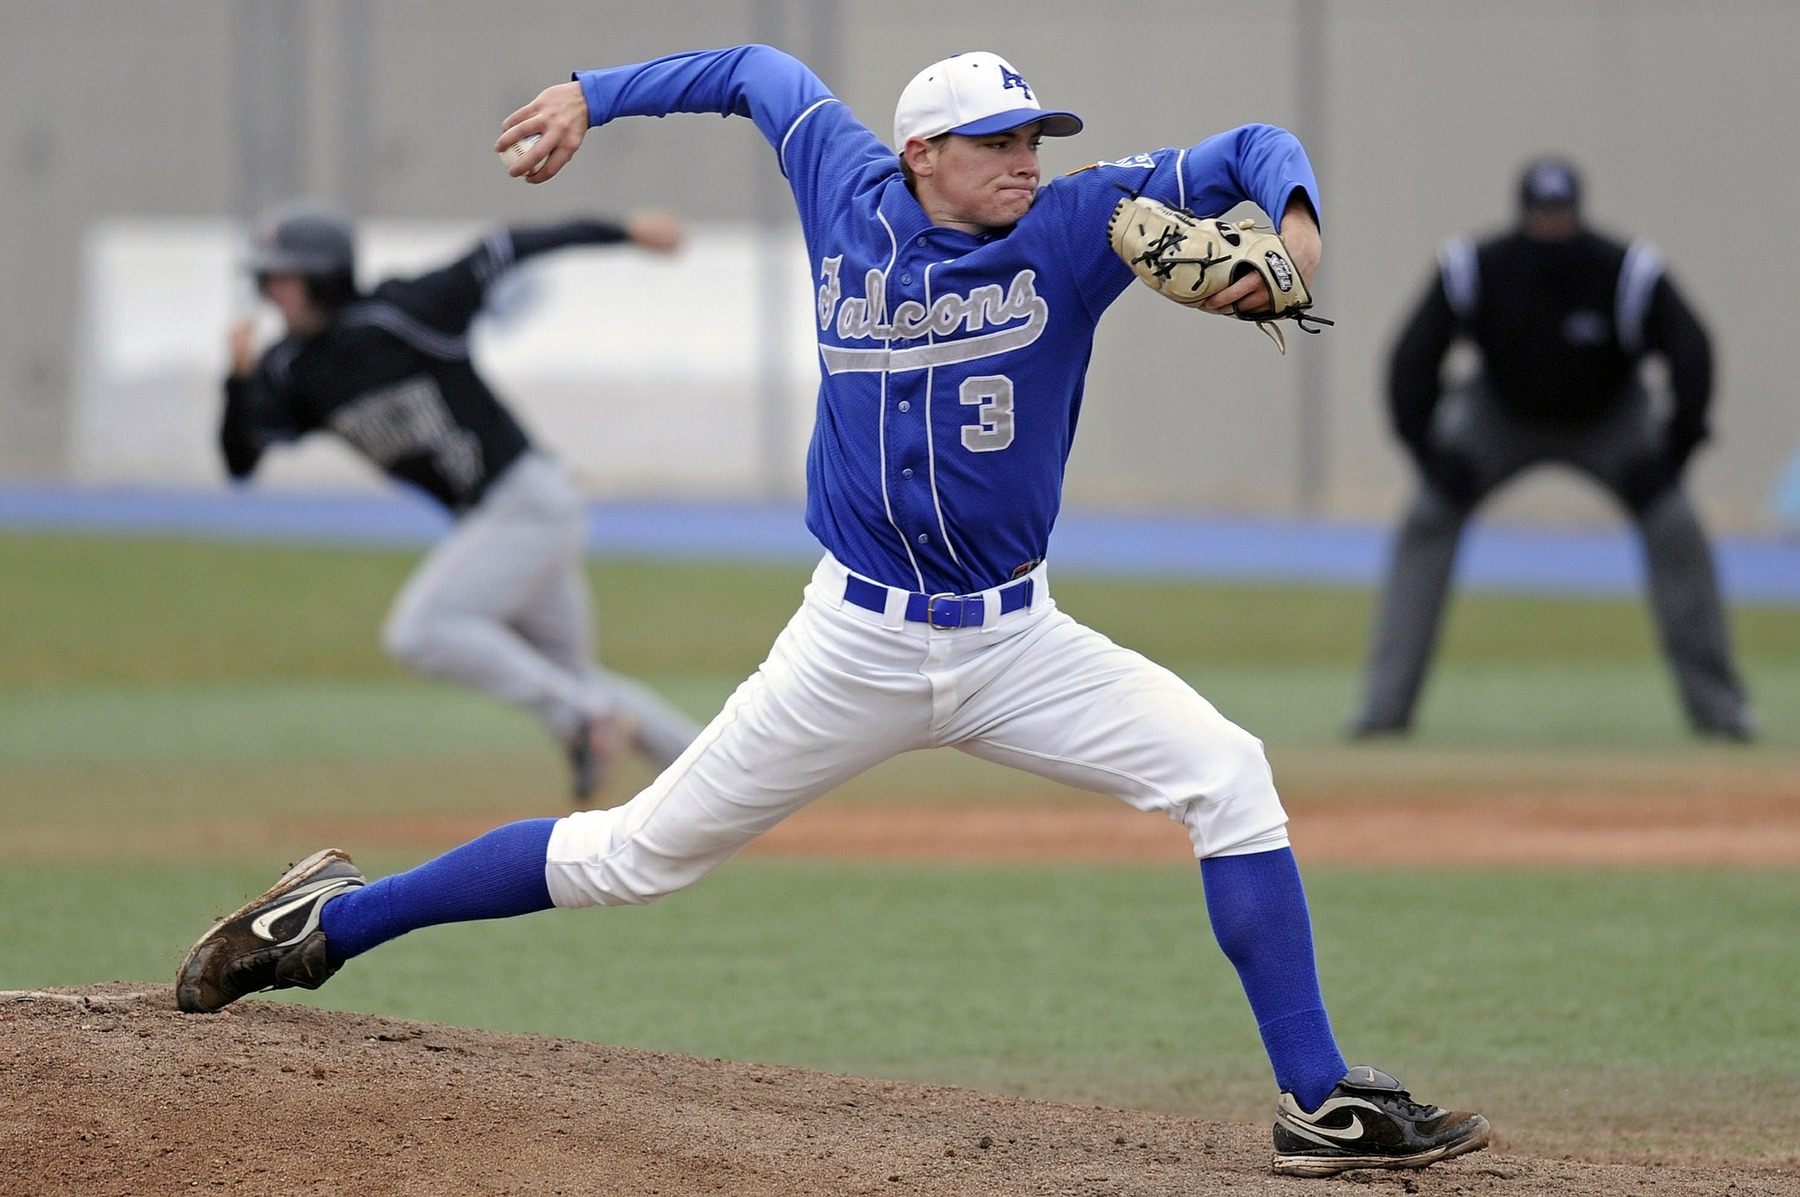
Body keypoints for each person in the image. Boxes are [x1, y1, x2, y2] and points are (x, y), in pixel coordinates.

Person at [179, 46, 1490, 1178]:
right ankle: (327, 923)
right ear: (921, 153)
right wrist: (592, 94)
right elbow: (753, 73)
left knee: (1228, 773)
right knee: (634, 855)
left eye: (1035, 135)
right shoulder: (843, 182)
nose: (1026, 158)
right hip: (850, 643)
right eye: (997, 141)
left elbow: (1260, 146)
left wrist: (1295, 231)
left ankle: (1318, 1105)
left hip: (1020, 642)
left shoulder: (1083, 221)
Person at [221, 203, 702, 799]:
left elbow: (507, 245)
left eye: (284, 277)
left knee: (422, 631)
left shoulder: (404, 313)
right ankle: (720, 774)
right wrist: (236, 383)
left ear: (324, 274)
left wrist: (623, 232)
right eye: (267, 278)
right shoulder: (290, 371)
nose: (271, 292)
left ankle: (583, 720)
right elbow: (241, 462)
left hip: (526, 500)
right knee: (577, 679)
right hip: (505, 518)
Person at [1350, 157, 1756, 741]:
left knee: (1675, 524)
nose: (1551, 230)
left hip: (1612, 415)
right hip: (1499, 413)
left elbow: (1692, 350)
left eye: (1561, 217)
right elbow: (1411, 359)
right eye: (1541, 218)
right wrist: (1428, 454)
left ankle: (1722, 713)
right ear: (1522, 217)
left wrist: (1674, 454)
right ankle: (1382, 711)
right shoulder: (1478, 266)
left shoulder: (1623, 270)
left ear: (1578, 215)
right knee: (1427, 515)